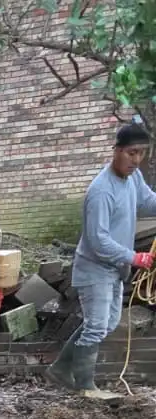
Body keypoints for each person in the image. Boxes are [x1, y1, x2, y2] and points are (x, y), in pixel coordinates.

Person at [50, 120, 156, 399]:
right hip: (94, 268)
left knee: (105, 324)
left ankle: (60, 369)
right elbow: (98, 240)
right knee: (97, 326)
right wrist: (135, 257)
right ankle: (86, 386)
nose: (136, 160)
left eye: (141, 153)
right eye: (131, 153)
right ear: (116, 150)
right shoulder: (101, 191)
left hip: (114, 269)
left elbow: (147, 201)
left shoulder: (133, 178)